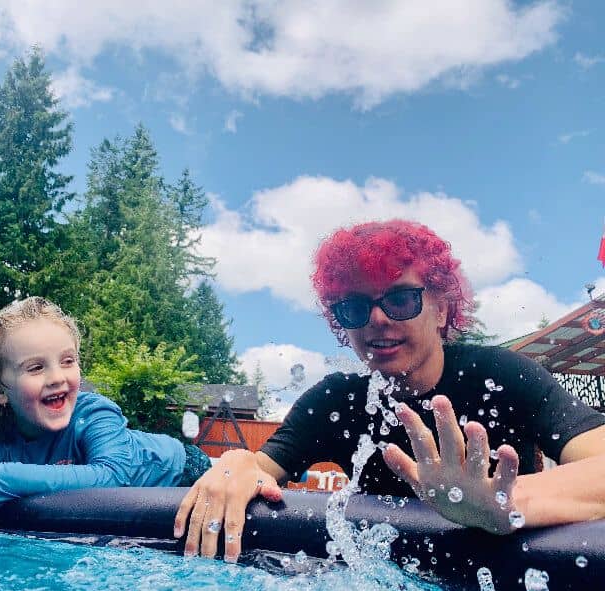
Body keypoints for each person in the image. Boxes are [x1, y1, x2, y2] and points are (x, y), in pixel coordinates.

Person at [174, 219, 605, 562]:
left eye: (400, 299)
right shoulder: (336, 401)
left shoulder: (502, 376)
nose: (378, 319)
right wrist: (234, 463)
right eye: (355, 307)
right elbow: (259, 468)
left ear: (440, 307)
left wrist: (503, 504)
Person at [0, 296, 211, 521]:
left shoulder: (94, 414)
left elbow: (114, 477)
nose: (58, 378)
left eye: (68, 361)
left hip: (183, 469)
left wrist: (4, 478)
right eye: (36, 367)